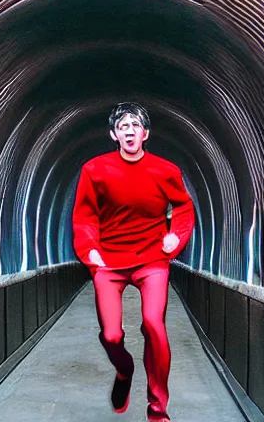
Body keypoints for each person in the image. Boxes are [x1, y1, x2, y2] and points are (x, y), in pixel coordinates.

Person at [72, 102, 195, 422]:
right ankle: (124, 370)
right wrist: (90, 251)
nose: (129, 131)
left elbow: (184, 208)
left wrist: (175, 237)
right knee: (111, 335)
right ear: (114, 134)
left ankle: (158, 409)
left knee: (154, 325)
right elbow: (84, 215)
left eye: (135, 125)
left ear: (146, 134)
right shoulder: (94, 170)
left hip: (152, 260)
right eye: (123, 126)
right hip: (109, 262)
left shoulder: (166, 171)